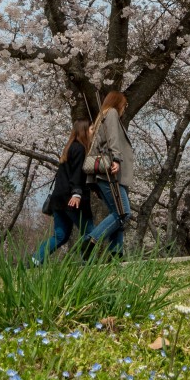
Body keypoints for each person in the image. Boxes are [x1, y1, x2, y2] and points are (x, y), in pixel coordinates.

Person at [80, 90, 136, 258]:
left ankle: (115, 253)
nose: (124, 108)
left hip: (105, 174)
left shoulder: (101, 118)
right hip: (111, 173)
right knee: (123, 213)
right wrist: (117, 159)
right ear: (118, 102)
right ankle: (90, 240)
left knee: (117, 213)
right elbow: (112, 138)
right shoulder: (111, 113)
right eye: (125, 105)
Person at [32, 119, 93, 263]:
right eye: (91, 129)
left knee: (60, 236)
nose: (93, 132)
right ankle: (88, 263)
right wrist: (77, 193)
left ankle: (35, 259)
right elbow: (77, 173)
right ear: (83, 131)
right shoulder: (80, 149)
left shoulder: (69, 148)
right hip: (72, 199)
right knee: (90, 232)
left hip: (58, 200)